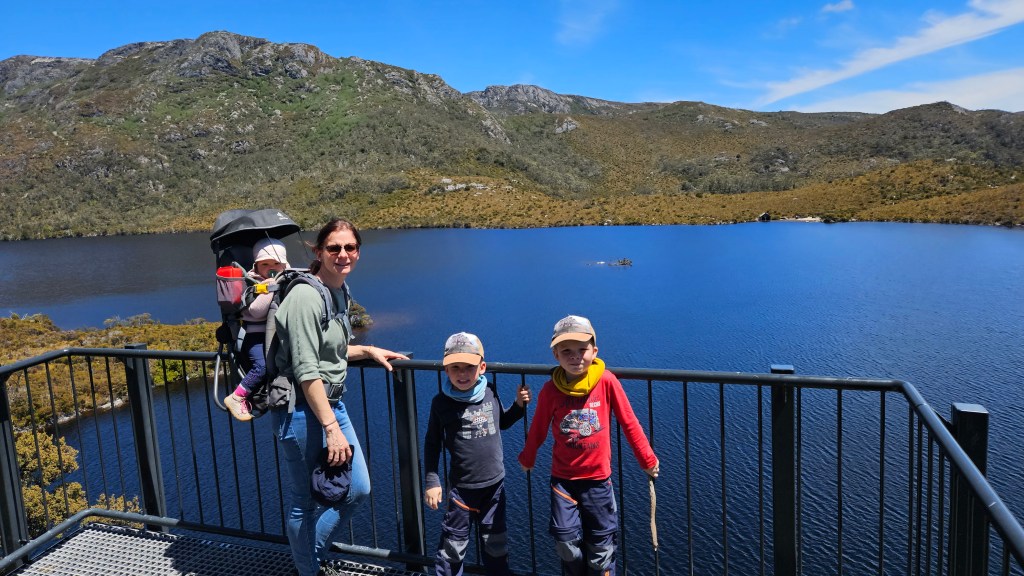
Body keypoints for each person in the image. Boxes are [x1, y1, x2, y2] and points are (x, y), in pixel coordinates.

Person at [271, 217, 408, 576]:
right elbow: (306, 369)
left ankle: (309, 556)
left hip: (330, 404)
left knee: (357, 488)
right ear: (318, 252)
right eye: (334, 248)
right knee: (305, 501)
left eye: (350, 247)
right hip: (301, 411)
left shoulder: (338, 291)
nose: (343, 254)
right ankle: (308, 568)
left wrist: (368, 350)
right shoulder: (305, 296)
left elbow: (330, 350)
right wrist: (331, 428)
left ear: (358, 251)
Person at [518, 315, 660, 576]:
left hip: (598, 482)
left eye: (582, 350)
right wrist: (528, 458)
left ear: (594, 352)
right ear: (556, 355)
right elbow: (538, 428)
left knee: (601, 550)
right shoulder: (550, 391)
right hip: (563, 481)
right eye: (566, 351)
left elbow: (629, 422)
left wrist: (647, 459)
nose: (575, 357)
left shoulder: (606, 381)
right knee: (566, 544)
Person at [423, 332, 530, 576]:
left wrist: (518, 406)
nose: (462, 374)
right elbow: (432, 443)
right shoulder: (441, 403)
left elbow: (502, 422)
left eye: (469, 367)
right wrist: (432, 481)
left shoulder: (489, 391)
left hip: (495, 487)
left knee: (496, 544)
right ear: (446, 370)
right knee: (453, 546)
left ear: (482, 367)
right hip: (462, 489)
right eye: (455, 367)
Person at [224, 237, 289, 421]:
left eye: (276, 263)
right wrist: (270, 288)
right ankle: (237, 397)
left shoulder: (286, 280)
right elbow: (256, 311)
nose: (271, 267)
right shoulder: (254, 284)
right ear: (256, 267)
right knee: (261, 367)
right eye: (265, 264)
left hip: (274, 337)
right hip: (255, 337)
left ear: (284, 265)